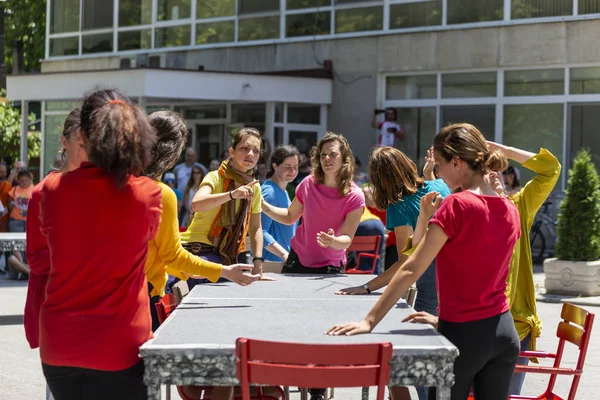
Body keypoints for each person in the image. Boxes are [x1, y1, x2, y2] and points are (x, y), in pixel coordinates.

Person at [327, 123, 521, 400]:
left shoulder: (457, 204)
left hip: (465, 336)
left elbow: (410, 266)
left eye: (439, 164)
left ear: (457, 162)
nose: (437, 172)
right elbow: (483, 271)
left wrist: (369, 321)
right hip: (502, 331)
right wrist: (444, 320)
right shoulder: (509, 208)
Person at [404, 143, 561, 397]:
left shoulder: (517, 207)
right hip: (470, 327)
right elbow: (414, 255)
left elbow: (551, 168)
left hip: (507, 328)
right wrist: (423, 217)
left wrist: (501, 149)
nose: (490, 176)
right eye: (483, 169)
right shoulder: (463, 207)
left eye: (494, 169)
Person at [36, 90, 162, 400]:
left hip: (60, 346)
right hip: (121, 347)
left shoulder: (49, 190)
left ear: (82, 135)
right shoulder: (148, 194)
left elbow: (44, 257)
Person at [262, 132, 365, 400]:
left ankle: (317, 388)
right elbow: (288, 217)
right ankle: (286, 378)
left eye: (333, 154)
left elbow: (347, 240)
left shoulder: (355, 195)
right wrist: (262, 205)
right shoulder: (308, 184)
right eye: (323, 154)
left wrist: (333, 241)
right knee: (289, 321)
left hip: (329, 270)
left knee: (323, 329)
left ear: (345, 159)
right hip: (297, 260)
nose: (327, 159)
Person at [144, 111, 259, 331]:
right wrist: (224, 271)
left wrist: (187, 270)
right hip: (144, 296)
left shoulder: (115, 185)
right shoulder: (162, 194)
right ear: (173, 153)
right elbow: (172, 255)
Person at [24, 108, 84, 400]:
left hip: (99, 309)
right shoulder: (43, 192)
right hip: (58, 307)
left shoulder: (104, 191)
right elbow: (35, 259)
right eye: (81, 142)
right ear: (64, 141)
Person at [177, 127, 265, 291]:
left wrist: (258, 260)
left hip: (221, 257)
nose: (250, 154)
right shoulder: (214, 176)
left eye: (256, 151)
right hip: (195, 251)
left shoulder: (255, 187)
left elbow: (256, 227)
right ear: (232, 152)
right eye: (244, 148)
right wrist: (232, 194)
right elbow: (196, 204)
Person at [261, 145, 300, 262]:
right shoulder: (270, 192)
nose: (292, 171)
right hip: (270, 264)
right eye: (287, 167)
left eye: (295, 167)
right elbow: (260, 231)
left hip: (282, 262)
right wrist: (284, 254)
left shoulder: (283, 191)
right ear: (275, 166)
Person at [0, 162, 12, 233]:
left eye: (5, 171)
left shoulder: (9, 185)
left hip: (5, 216)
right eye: (1, 171)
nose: (3, 173)